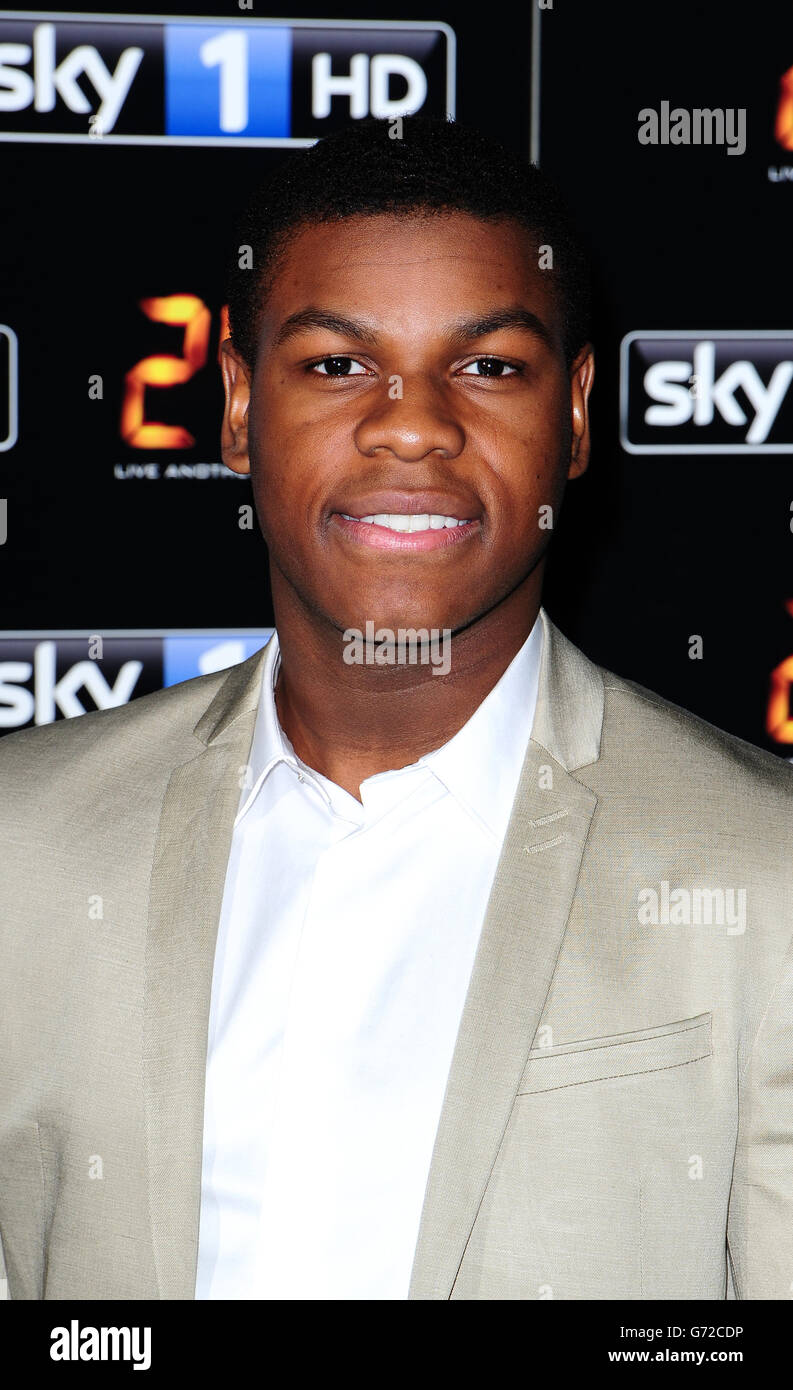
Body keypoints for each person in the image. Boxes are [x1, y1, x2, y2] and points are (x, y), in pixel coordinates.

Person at [1, 117, 791, 1302]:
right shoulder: (24, 841)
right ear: (232, 407)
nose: (411, 422)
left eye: (486, 366)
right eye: (334, 364)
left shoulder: (765, 870)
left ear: (575, 415)